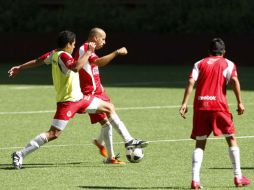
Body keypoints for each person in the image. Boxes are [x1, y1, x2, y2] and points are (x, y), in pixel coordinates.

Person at [9, 30, 127, 169]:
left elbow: (38, 61)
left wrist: (20, 68)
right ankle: (20, 154)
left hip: (81, 99)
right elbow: (76, 67)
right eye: (74, 44)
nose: (74, 47)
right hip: (68, 102)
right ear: (68, 44)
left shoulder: (54, 53)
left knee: (109, 108)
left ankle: (122, 146)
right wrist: (88, 52)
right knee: (53, 134)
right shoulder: (64, 56)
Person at [179, 38, 251, 189]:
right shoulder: (228, 63)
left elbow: (191, 82)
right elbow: (235, 80)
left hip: (201, 105)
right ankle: (238, 177)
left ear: (208, 52)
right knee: (231, 138)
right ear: (224, 52)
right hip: (218, 105)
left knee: (200, 143)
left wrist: (184, 103)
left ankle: (195, 180)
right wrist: (239, 102)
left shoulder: (199, 63)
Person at [74, 27, 148, 157]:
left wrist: (101, 87)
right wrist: (116, 52)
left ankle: (104, 147)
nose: (104, 42)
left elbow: (93, 70)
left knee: (107, 121)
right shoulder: (85, 48)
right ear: (95, 38)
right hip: (90, 94)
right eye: (103, 39)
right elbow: (98, 63)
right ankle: (127, 142)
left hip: (98, 92)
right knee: (107, 121)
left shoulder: (89, 49)